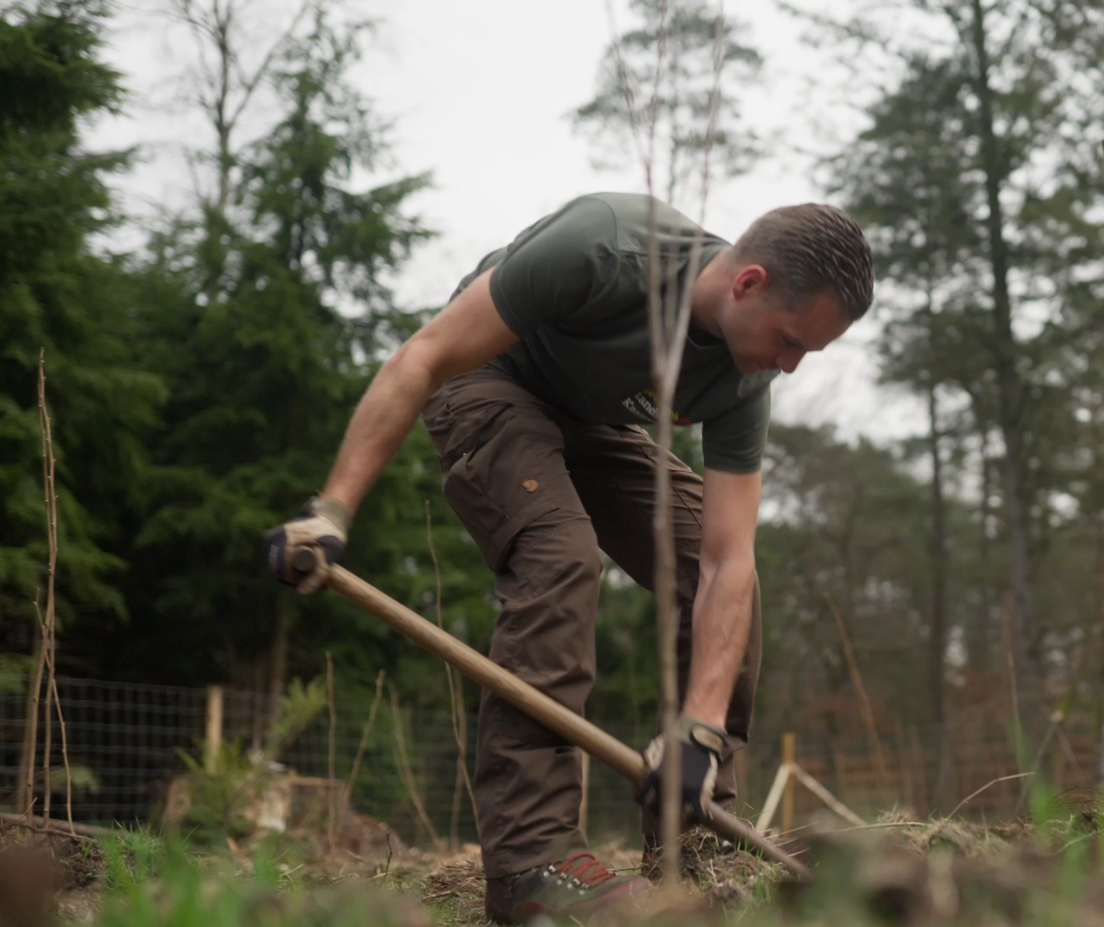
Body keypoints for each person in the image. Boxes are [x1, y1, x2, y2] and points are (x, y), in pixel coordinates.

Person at [262, 193, 874, 923]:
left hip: (594, 421)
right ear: (748, 283)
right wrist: (331, 511)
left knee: (722, 580)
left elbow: (725, 559)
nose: (790, 366)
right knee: (562, 557)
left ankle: (692, 835)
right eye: (790, 341)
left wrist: (701, 727)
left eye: (807, 353)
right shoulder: (605, 249)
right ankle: (534, 860)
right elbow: (424, 356)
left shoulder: (745, 375)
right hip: (487, 379)